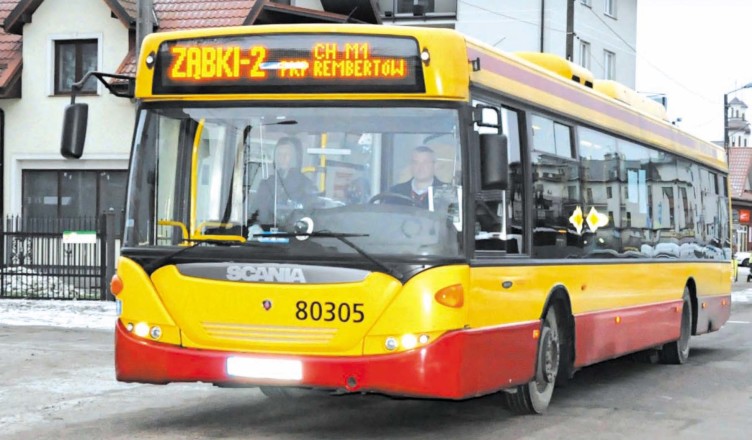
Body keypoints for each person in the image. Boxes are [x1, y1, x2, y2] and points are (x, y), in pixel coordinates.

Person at [250, 136, 317, 226]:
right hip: (265, 232)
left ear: (295, 157)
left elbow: (310, 217)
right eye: (279, 154)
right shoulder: (266, 185)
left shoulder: (306, 185)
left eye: (287, 154)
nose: (282, 158)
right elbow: (256, 214)